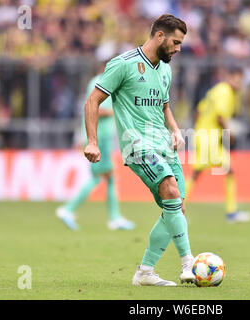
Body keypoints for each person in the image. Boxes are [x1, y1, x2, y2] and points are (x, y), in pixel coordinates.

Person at [83, 14, 195, 286]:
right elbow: (93, 101)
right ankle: (189, 263)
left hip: (163, 145)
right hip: (137, 146)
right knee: (169, 187)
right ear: (160, 36)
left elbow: (165, 106)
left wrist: (176, 130)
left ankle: (145, 272)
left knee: (175, 209)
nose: (178, 49)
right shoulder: (123, 65)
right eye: (176, 42)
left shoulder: (166, 69)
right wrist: (92, 141)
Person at [56, 66, 135, 231]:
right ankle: (68, 209)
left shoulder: (94, 81)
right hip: (101, 136)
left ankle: (114, 217)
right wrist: (120, 112)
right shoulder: (104, 82)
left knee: (107, 176)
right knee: (102, 176)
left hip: (96, 136)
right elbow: (97, 109)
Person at [185, 66, 250, 223]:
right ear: (229, 78)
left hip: (204, 135)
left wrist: (200, 128)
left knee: (198, 173)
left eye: (240, 80)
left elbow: (198, 111)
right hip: (209, 138)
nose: (238, 82)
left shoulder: (215, 91)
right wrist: (230, 134)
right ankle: (231, 212)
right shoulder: (225, 92)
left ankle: (176, 210)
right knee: (226, 170)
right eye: (235, 78)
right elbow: (220, 117)